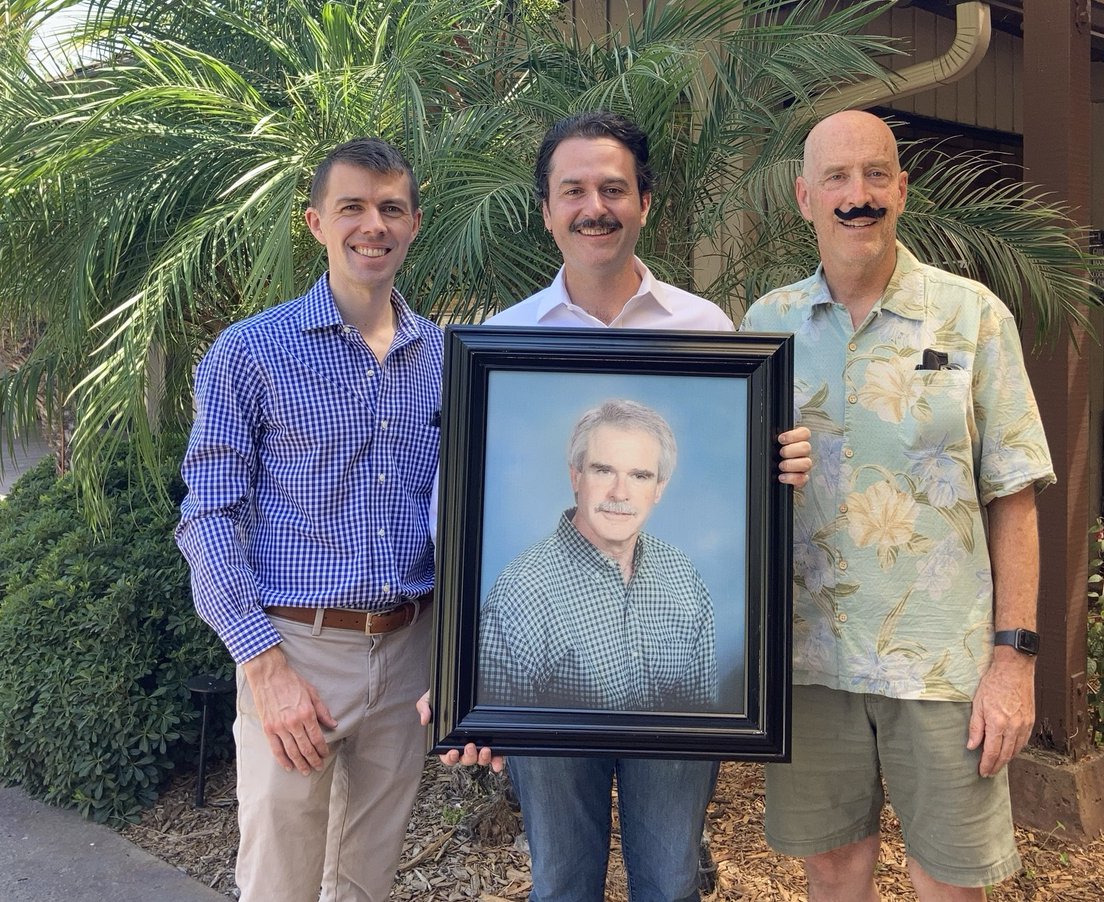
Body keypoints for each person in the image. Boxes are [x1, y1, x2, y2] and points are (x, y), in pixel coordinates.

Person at [420, 110, 811, 902]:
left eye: (612, 188)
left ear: (644, 203)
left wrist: (781, 467)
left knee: (671, 882)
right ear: (547, 209)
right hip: (546, 726)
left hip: (675, 729)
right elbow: (450, 515)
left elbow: (751, 495)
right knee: (562, 883)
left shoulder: (707, 331)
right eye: (574, 190)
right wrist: (457, 680)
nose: (594, 206)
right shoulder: (503, 341)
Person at [739, 109, 1056, 901]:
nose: (858, 196)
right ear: (804, 197)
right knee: (833, 871)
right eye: (838, 179)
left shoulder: (972, 316)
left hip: (945, 663)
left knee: (950, 881)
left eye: (876, 175)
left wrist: (1013, 660)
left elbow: (1014, 497)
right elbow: (729, 492)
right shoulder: (765, 325)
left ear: (903, 191)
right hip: (808, 660)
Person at [176, 137, 440, 902]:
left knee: (366, 881)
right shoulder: (249, 353)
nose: (373, 225)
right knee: (280, 881)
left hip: (407, 652)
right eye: (352, 206)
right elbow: (208, 513)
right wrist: (261, 664)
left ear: (414, 223)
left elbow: (466, 508)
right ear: (316, 222)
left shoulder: (449, 358)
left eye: (391, 208)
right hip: (296, 650)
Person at [478, 398, 718, 712]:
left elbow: (702, 719)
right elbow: (496, 727)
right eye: (603, 471)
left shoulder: (682, 574)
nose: (619, 493)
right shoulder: (521, 593)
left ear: (659, 488)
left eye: (639, 476)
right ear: (576, 477)